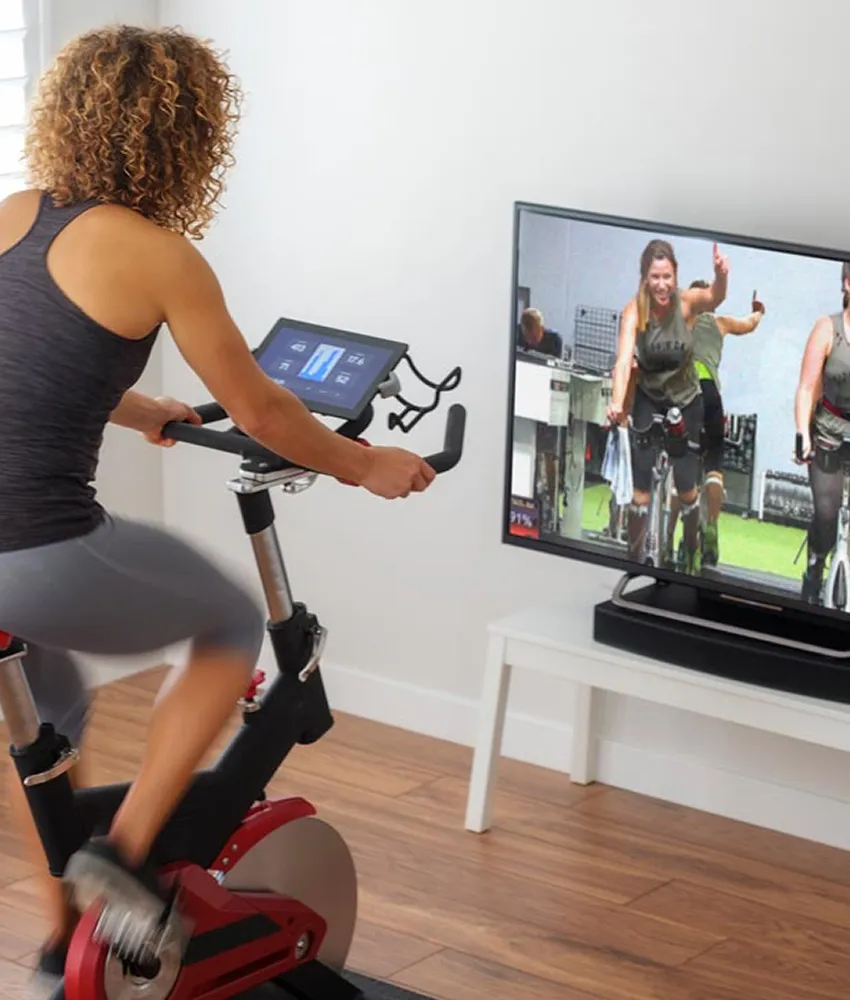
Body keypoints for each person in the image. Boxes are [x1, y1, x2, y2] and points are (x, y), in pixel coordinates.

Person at [0, 24, 437, 986]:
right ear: (187, 136)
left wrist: (130, 406)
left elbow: (26, 367)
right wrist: (364, 464)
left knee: (54, 712)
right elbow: (264, 410)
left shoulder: (14, 211)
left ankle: (56, 936)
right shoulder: (164, 256)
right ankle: (122, 863)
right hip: (33, 546)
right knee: (232, 619)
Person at [607, 238, 729, 570]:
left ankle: (689, 554)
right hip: (649, 397)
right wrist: (617, 402)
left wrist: (721, 276)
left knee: (688, 489)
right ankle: (632, 558)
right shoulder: (634, 311)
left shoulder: (686, 304)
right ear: (645, 278)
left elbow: (715, 297)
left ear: (676, 275)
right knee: (640, 494)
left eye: (667, 276)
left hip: (687, 399)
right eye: (654, 277)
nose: (661, 285)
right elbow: (622, 362)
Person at [669, 281, 765, 566]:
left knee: (681, 466)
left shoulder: (680, 321)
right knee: (714, 465)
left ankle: (669, 537)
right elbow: (749, 324)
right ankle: (711, 524)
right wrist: (759, 312)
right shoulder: (721, 322)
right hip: (711, 394)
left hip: (686, 391)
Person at [794, 261, 850, 603]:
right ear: (847, 283)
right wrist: (802, 432)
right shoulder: (827, 329)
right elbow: (806, 388)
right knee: (827, 518)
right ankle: (816, 564)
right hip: (829, 433)